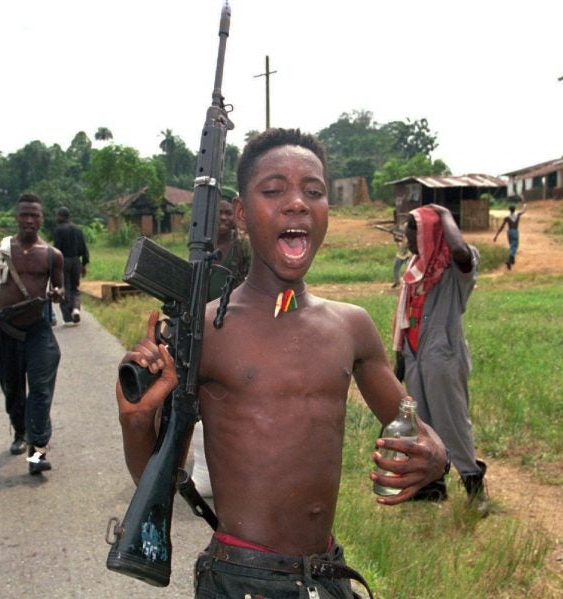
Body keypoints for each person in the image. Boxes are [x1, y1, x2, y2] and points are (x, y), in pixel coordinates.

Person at [115, 129, 448, 598]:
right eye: (274, 191)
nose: (296, 203)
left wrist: (436, 456)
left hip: (326, 575)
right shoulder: (206, 331)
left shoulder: (352, 327)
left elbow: (411, 423)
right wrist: (136, 423)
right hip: (240, 578)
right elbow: (159, 479)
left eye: (313, 191)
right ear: (241, 214)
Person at [393, 204, 489, 515]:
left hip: (442, 356)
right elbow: (405, 315)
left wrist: (445, 214)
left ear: (428, 232)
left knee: (452, 423)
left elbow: (460, 250)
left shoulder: (452, 270)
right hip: (416, 354)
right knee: (423, 424)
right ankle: (433, 485)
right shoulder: (416, 267)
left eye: (412, 228)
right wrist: (400, 358)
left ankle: (474, 482)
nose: (407, 235)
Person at [0, 193, 64, 475]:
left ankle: (37, 451)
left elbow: (59, 291)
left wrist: (57, 293)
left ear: (41, 219)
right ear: (16, 217)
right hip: (7, 332)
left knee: (40, 391)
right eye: (24, 214)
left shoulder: (52, 255)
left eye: (34, 215)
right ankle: (20, 431)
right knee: (12, 389)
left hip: (38, 332)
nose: (28, 220)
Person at [192, 196, 252, 498]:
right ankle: (206, 466)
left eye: (229, 213)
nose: (224, 219)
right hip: (203, 328)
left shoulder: (244, 248)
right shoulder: (200, 250)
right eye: (219, 214)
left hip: (237, 326)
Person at [53, 207, 89, 325]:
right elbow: (84, 247)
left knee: (64, 287)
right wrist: (84, 264)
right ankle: (76, 309)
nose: (56, 218)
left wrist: (53, 266)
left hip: (63, 261)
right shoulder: (78, 229)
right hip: (76, 261)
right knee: (75, 287)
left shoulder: (59, 230)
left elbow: (56, 249)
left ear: (61, 216)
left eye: (57, 215)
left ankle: (68, 316)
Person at [493, 202, 528, 269]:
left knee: (511, 245)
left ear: (509, 210)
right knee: (514, 246)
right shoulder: (517, 214)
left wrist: (496, 235)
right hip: (515, 231)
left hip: (509, 232)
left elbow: (502, 226)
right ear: (514, 209)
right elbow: (524, 210)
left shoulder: (507, 217)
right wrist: (525, 205)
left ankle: (512, 260)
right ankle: (509, 260)